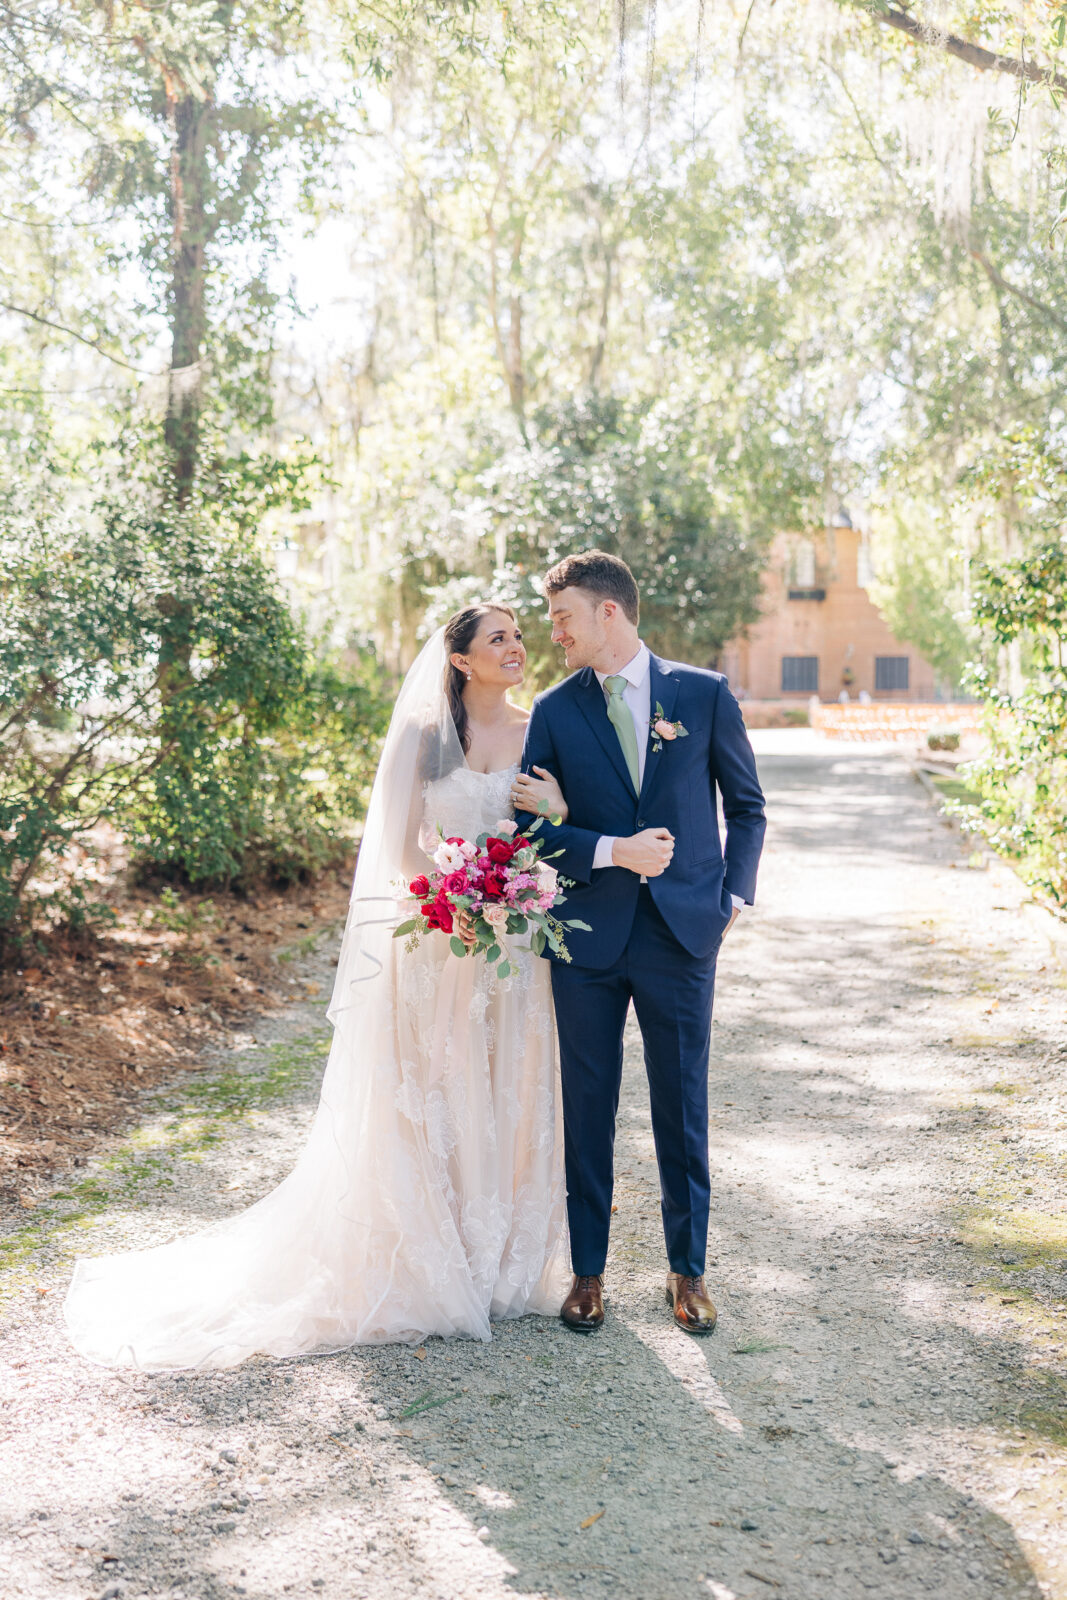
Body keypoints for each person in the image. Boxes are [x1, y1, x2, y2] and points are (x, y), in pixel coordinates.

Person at [64, 605, 569, 1368]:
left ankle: (496, 1258)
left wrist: (552, 821)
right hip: (439, 938)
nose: (516, 647)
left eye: (518, 636)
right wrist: (457, 897)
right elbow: (399, 847)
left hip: (514, 947)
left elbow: (556, 835)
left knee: (504, 1084)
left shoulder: (541, 732)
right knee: (433, 1088)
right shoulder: (425, 736)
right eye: (498, 638)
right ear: (462, 660)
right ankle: (429, 1255)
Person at [511, 552, 766, 1336]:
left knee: (681, 1105)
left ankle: (687, 1272)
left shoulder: (702, 693)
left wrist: (731, 898)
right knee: (586, 1107)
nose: (553, 634)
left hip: (681, 935)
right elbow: (526, 833)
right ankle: (587, 1273)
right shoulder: (554, 710)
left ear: (608, 613)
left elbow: (746, 807)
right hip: (585, 938)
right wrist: (607, 848)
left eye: (562, 618)